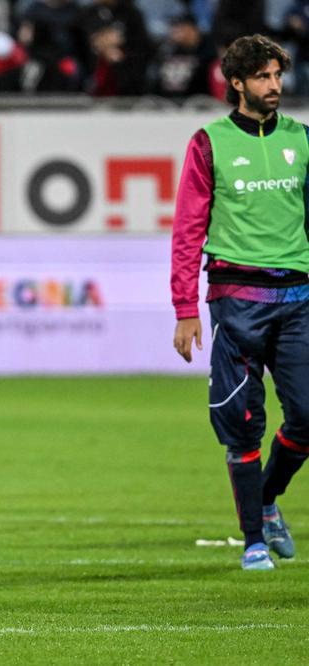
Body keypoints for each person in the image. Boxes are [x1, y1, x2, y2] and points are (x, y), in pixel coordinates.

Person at [172, 34, 308, 571]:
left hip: (299, 296)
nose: (274, 86)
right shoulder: (209, 143)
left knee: (306, 417)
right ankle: (254, 538)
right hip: (238, 299)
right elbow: (188, 229)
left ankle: (267, 499)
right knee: (243, 421)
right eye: (263, 77)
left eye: (278, 76)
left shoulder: (302, 138)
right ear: (236, 83)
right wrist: (185, 308)